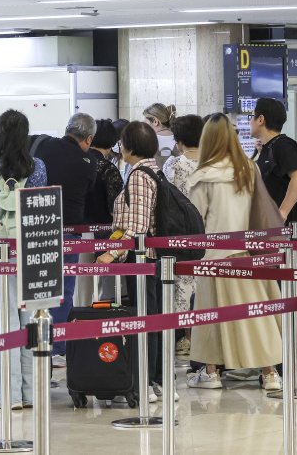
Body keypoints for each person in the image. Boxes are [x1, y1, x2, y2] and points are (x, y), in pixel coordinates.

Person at [186, 113, 283, 391]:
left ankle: (212, 372)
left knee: (210, 315)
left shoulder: (203, 175)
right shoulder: (249, 169)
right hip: (250, 252)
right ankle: (270, 373)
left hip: (215, 255)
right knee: (257, 315)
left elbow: (196, 220)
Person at [0, 110, 47, 410]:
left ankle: (10, 396)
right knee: (32, 322)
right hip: (32, 251)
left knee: (3, 324)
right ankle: (32, 394)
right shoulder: (38, 167)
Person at [96, 121, 176, 402]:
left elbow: (137, 226)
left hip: (143, 260)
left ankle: (148, 381)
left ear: (129, 146)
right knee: (153, 319)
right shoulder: (155, 170)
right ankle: (158, 381)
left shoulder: (140, 175)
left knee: (146, 320)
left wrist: (111, 253)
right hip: (153, 260)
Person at [32, 113, 98, 361]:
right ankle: (58, 348)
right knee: (63, 290)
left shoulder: (44, 146)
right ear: (88, 138)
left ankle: (37, 344)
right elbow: (89, 190)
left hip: (38, 229)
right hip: (69, 233)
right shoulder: (88, 162)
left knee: (38, 289)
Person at [161, 114, 204, 357]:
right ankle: (202, 338)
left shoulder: (174, 165)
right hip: (212, 231)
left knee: (183, 286)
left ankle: (184, 337)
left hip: (183, 232)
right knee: (205, 285)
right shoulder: (212, 163)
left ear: (178, 141)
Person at [77, 119, 124, 305]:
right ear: (112, 142)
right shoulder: (108, 169)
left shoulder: (78, 163)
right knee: (101, 290)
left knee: (80, 288)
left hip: (76, 234)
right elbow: (117, 208)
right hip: (104, 235)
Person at [250, 98, 297, 222]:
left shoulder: (283, 145)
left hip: (282, 229)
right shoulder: (270, 147)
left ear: (260, 120)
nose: (250, 121)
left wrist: (282, 213)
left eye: (252, 116)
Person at [143, 103, 178, 167]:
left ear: (155, 121)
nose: (145, 127)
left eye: (146, 123)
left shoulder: (146, 142)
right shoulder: (181, 139)